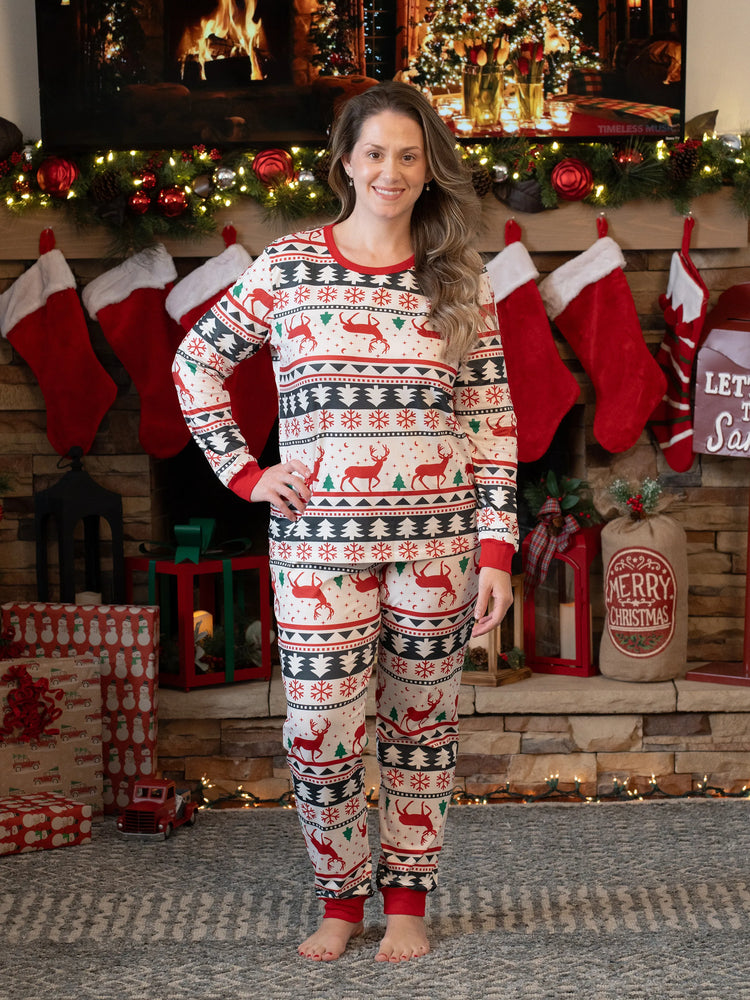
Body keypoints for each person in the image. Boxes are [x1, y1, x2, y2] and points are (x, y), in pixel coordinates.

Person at [173, 80, 518, 963]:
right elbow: (196, 362)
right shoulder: (290, 266)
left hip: (438, 546)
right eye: (375, 153)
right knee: (320, 727)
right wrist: (246, 474)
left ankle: (406, 900)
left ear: (428, 167)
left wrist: (496, 549)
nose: (391, 172)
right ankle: (339, 897)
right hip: (319, 547)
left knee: (422, 726)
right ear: (345, 162)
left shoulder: (460, 278)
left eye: (409, 155)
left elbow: (490, 419)